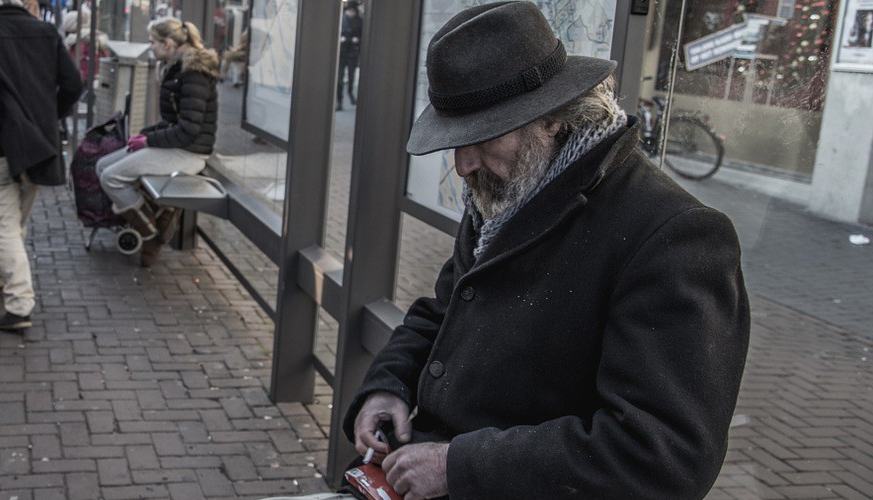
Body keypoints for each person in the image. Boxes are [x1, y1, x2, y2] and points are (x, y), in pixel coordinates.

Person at [283, 3, 753, 499]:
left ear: (552, 119)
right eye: (454, 141)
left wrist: (459, 466)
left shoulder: (676, 236)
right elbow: (448, 308)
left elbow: (663, 456)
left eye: (481, 137)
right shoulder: (514, 186)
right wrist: (389, 384)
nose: (463, 165)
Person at [0, 0, 83, 332]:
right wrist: (48, 116)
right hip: (39, 144)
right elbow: (74, 85)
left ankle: (19, 304)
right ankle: (1, 275)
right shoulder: (45, 32)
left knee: (3, 224)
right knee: (17, 218)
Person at [95, 17, 219, 267]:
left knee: (111, 177)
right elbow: (172, 121)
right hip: (177, 145)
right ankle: (159, 219)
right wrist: (143, 135)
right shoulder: (177, 67)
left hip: (189, 152)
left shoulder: (193, 73)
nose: (150, 47)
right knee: (102, 166)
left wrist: (148, 140)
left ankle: (152, 234)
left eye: (153, 42)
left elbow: (188, 130)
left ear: (169, 43)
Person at [335, 2, 362, 111]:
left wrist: (358, 40)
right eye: (350, 11)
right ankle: (339, 101)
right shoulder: (341, 19)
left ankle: (350, 93)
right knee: (339, 79)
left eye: (353, 11)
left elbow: (363, 35)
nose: (351, 13)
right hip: (342, 52)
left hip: (352, 53)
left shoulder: (360, 21)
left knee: (351, 77)